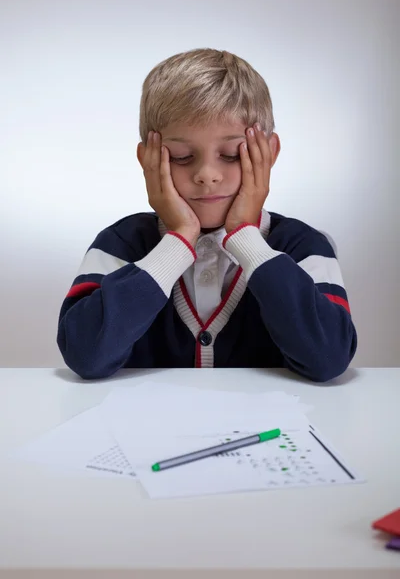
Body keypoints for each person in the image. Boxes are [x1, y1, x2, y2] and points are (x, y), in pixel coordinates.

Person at [57, 48, 357, 381]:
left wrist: (246, 237)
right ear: (147, 159)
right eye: (183, 156)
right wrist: (179, 239)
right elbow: (85, 355)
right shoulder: (120, 244)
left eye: (230, 154)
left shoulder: (304, 245)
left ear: (269, 154)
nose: (207, 174)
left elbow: (328, 357)